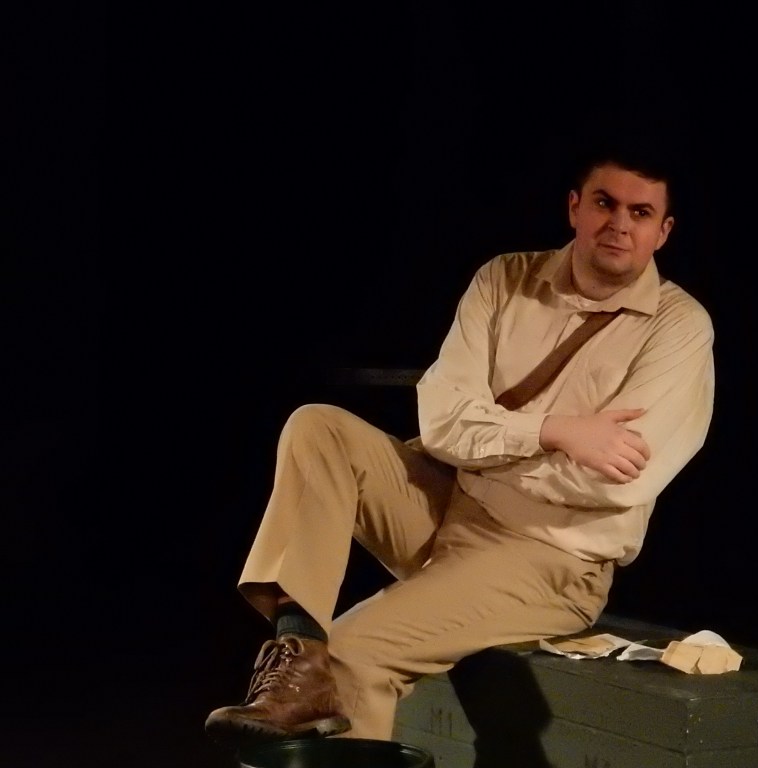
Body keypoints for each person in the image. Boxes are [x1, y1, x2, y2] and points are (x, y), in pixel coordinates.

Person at [204, 133, 715, 745]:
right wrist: (553, 431)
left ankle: (330, 679)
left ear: (663, 231)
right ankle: (299, 647)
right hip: (451, 505)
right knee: (318, 427)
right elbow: (441, 421)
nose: (619, 225)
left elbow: (615, 482)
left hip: (549, 557)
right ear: (575, 206)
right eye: (605, 203)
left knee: (356, 652)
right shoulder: (504, 279)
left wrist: (484, 448)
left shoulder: (680, 327)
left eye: (641, 212)